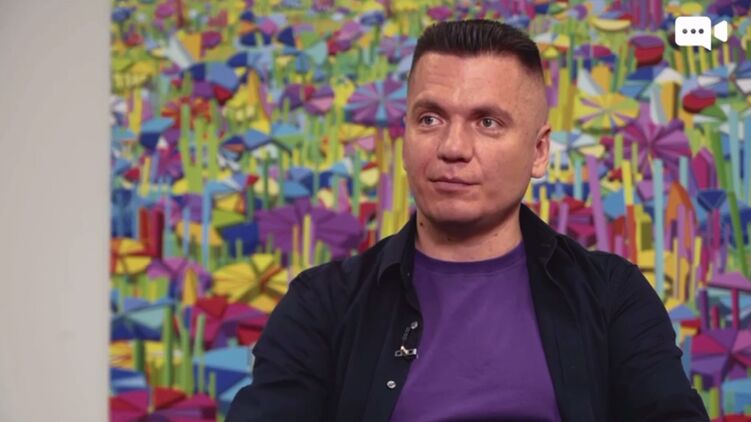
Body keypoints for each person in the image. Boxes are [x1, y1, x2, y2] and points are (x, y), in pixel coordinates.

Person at [227, 19, 709, 421]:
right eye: (430, 119)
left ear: (539, 151)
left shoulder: (611, 296)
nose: (453, 148)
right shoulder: (322, 304)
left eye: (487, 122)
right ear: (404, 137)